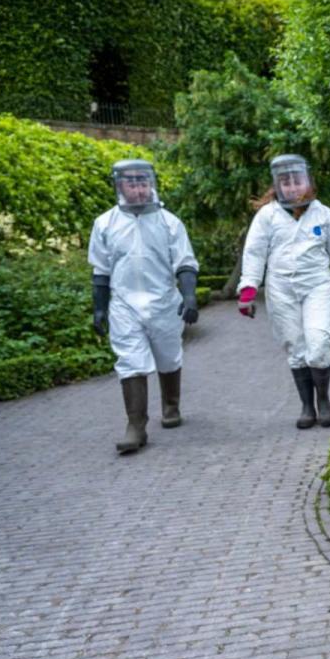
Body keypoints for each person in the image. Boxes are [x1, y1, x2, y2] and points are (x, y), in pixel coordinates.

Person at [237, 154, 330, 429]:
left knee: (317, 344)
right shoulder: (267, 216)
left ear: (308, 181)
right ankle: (307, 406)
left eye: (298, 181)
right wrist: (247, 291)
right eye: (286, 183)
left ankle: (324, 400)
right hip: (281, 288)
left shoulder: (323, 214)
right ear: (277, 185)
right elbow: (254, 254)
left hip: (317, 285)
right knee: (295, 347)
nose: (293, 188)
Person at [89, 159, 200, 454]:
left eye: (142, 182)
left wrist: (189, 296)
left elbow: (185, 264)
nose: (138, 188)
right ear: (119, 186)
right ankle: (135, 426)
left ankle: (171, 406)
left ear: (151, 183)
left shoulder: (169, 222)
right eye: (131, 182)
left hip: (163, 301)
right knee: (130, 361)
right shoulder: (105, 224)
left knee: (168, 357)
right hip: (124, 304)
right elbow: (100, 271)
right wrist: (100, 308)